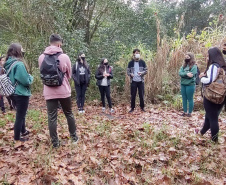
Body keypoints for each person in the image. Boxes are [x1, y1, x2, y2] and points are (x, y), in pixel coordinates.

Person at [38, 34, 78, 148]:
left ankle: (55, 143)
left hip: (49, 91)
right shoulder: (64, 57)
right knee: (69, 113)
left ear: (50, 42)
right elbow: (69, 74)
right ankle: (74, 137)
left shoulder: (41, 57)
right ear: (59, 44)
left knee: (52, 116)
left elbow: (42, 74)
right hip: (63, 90)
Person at [195, 47, 226, 142]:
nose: (207, 57)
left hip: (211, 95)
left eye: (208, 55)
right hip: (221, 95)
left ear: (212, 55)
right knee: (210, 115)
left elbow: (210, 80)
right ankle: (202, 132)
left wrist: (201, 79)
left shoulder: (214, 66)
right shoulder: (223, 66)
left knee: (213, 118)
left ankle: (214, 140)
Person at [4, 43, 33, 142]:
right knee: (20, 115)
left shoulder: (8, 62)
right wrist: (30, 78)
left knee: (21, 113)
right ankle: (17, 137)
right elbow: (25, 80)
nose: (23, 51)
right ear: (18, 51)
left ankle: (23, 130)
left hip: (12, 92)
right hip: (20, 93)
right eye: (22, 49)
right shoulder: (19, 64)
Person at [179, 53, 197, 117]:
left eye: (188, 57)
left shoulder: (194, 66)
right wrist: (186, 74)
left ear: (191, 57)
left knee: (190, 98)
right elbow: (180, 73)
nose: (186, 58)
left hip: (190, 84)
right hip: (183, 84)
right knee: (184, 98)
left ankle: (190, 113)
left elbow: (192, 74)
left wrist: (184, 74)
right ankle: (184, 112)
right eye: (185, 57)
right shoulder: (183, 66)